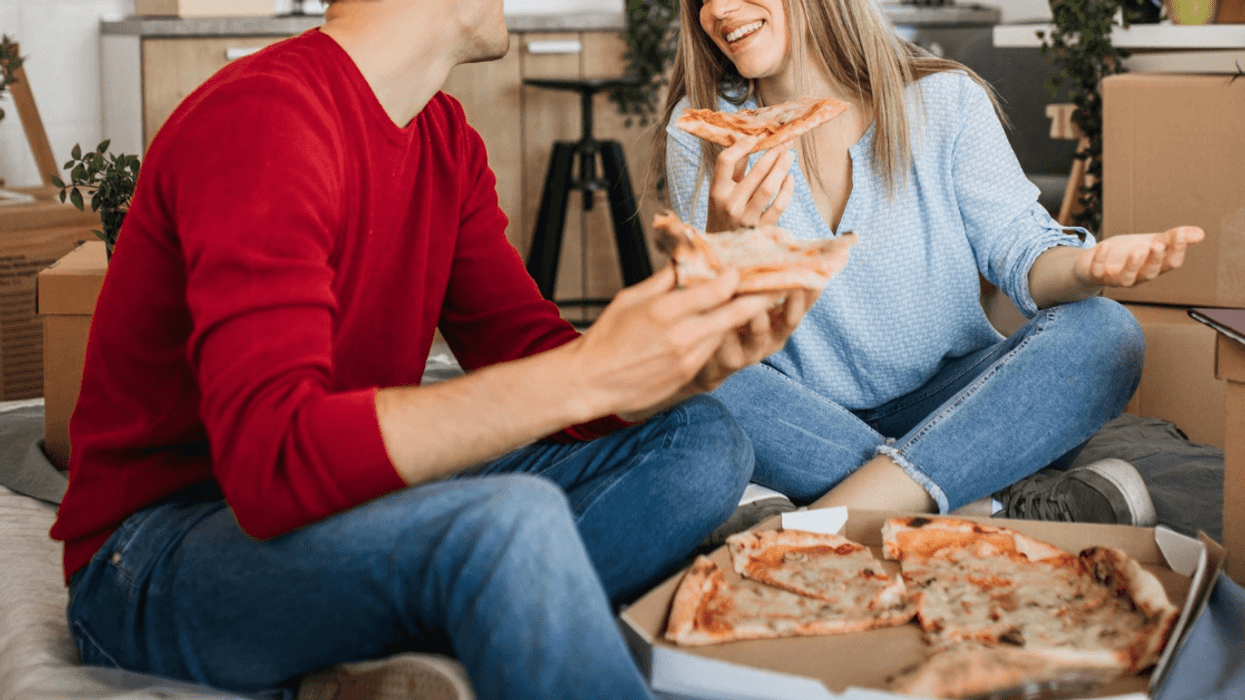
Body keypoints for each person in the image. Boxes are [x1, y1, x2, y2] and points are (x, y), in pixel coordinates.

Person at [47, 1, 822, 699]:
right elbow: (272, 465)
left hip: (349, 506)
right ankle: (469, 613)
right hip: (154, 558)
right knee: (505, 522)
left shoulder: (443, 137)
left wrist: (686, 357)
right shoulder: (263, 116)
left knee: (702, 436)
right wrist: (584, 374)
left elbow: (531, 356)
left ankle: (424, 633)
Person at [654, 0, 1205, 526]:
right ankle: (981, 502)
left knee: (1107, 332)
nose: (717, 11)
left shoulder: (944, 101)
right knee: (688, 374)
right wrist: (726, 247)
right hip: (798, 419)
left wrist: (1088, 268)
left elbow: (1022, 248)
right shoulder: (703, 131)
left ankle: (829, 513)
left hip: (952, 399)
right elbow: (722, 335)